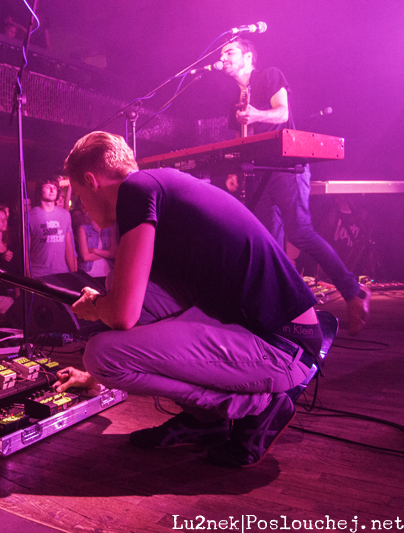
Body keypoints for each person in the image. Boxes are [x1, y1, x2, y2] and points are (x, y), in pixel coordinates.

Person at [54, 132, 323, 467]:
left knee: (101, 355)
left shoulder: (136, 190)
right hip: (275, 336)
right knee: (126, 290)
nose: (79, 209)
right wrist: (91, 378)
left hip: (283, 347)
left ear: (91, 181)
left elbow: (121, 316)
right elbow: (138, 311)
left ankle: (258, 407)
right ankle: (205, 422)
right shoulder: (158, 188)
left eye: (77, 198)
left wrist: (96, 307)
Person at [220, 38, 370, 335]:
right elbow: (242, 142)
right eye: (221, 53)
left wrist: (256, 115)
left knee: (300, 232)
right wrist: (233, 169)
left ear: (248, 56)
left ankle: (354, 291)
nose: (222, 58)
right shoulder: (234, 99)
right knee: (268, 243)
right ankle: (284, 313)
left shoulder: (269, 75)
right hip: (259, 171)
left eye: (229, 52)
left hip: (287, 167)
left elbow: (282, 113)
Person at [29, 176, 75, 278]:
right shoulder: (30, 216)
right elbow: (25, 251)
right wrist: (28, 278)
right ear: (40, 191)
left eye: (54, 188)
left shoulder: (65, 215)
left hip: (61, 273)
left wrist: (74, 274)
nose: (51, 190)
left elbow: (68, 247)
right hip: (38, 274)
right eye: (47, 187)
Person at [71, 199, 117, 284]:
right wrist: (107, 253)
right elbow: (86, 257)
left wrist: (94, 250)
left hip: (108, 273)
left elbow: (114, 253)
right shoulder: (83, 228)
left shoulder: (110, 226)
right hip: (89, 275)